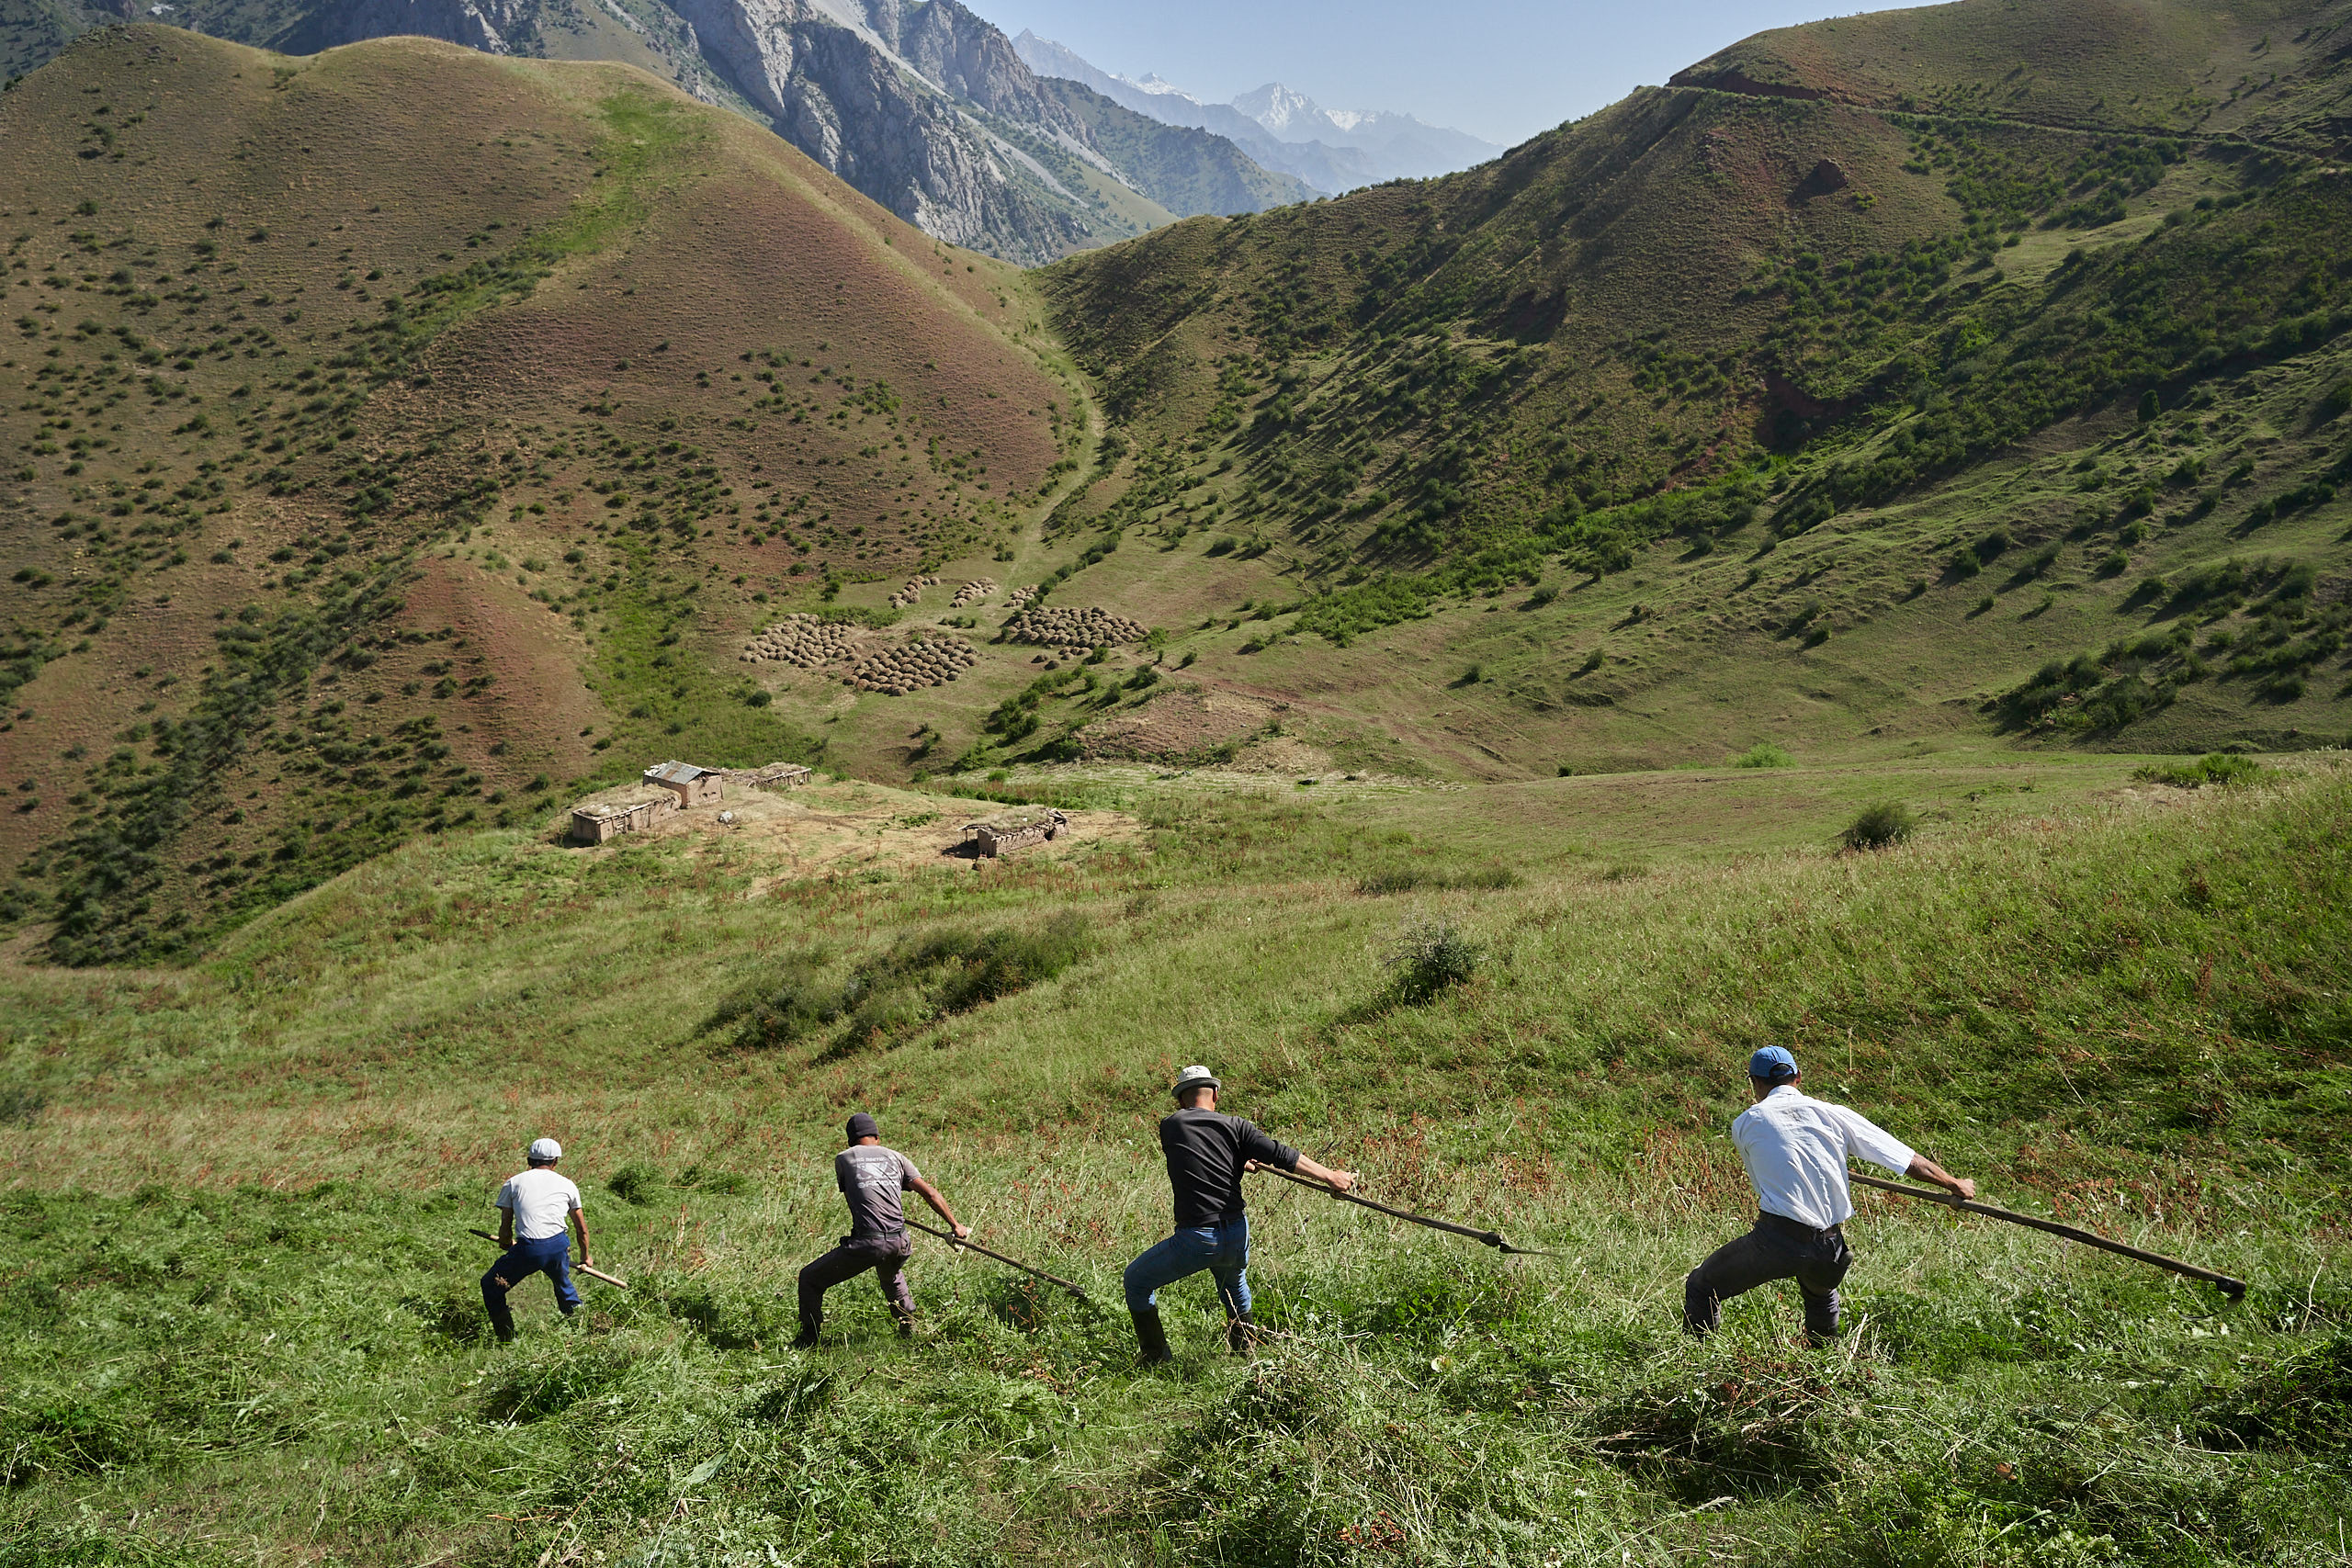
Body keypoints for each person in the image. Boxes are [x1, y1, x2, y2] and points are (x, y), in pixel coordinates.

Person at [1684, 1046, 1975, 1346]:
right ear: (1798, 1077)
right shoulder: (1833, 1113)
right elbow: (1906, 1159)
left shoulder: (1745, 1123)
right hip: (1829, 1249)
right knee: (1821, 1294)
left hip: (1775, 1243)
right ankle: (1823, 1368)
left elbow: (1764, 1181)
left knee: (1701, 1286)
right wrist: (1953, 1183)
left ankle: (1698, 1365)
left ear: (1755, 1083)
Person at [1125, 1064, 1358, 1362]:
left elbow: (1196, 1154)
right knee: (1233, 1285)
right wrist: (1331, 1176)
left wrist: (1235, 1160)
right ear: (1216, 1095)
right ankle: (1243, 1355)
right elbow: (1281, 1154)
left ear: (1181, 1100)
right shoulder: (1238, 1127)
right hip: (1237, 1235)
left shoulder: (1171, 1126)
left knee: (1136, 1281)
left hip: (1198, 1238)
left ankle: (1156, 1359)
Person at [795, 1112, 969, 1348]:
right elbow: (930, 1193)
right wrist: (955, 1226)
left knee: (809, 1279)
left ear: (850, 1140)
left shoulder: (844, 1159)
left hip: (870, 1243)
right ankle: (909, 1327)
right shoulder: (896, 1157)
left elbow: (855, 1202)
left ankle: (809, 1340)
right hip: (900, 1241)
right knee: (891, 1272)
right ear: (877, 1137)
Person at [483, 1137, 595, 1344]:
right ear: (555, 1162)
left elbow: (506, 1225)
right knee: (563, 1286)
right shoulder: (567, 1184)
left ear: (529, 1160)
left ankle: (507, 1340)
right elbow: (582, 1229)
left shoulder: (513, 1182)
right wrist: (585, 1257)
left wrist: (505, 1242)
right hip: (558, 1245)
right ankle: (582, 1331)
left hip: (529, 1248)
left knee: (490, 1285)